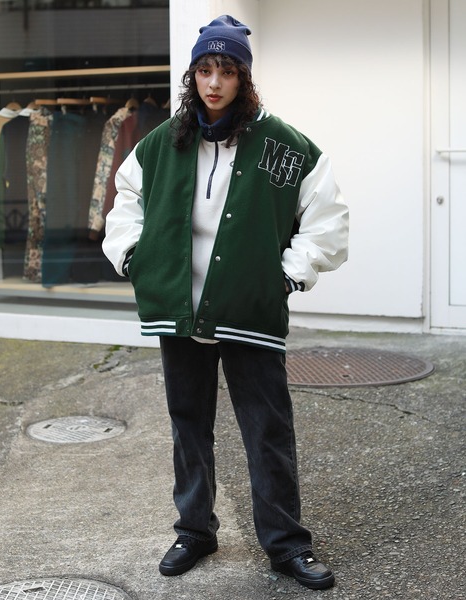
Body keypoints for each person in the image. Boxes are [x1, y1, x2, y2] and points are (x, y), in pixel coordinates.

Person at [103, 14, 349, 592]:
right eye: (205, 69)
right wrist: (136, 261)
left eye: (227, 71)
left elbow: (327, 222)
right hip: (180, 309)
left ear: (244, 77)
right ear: (193, 75)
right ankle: (194, 531)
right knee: (188, 425)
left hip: (249, 309)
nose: (214, 82)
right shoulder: (163, 142)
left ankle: (287, 544)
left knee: (267, 429)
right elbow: (125, 202)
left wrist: (285, 278)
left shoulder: (284, 146)